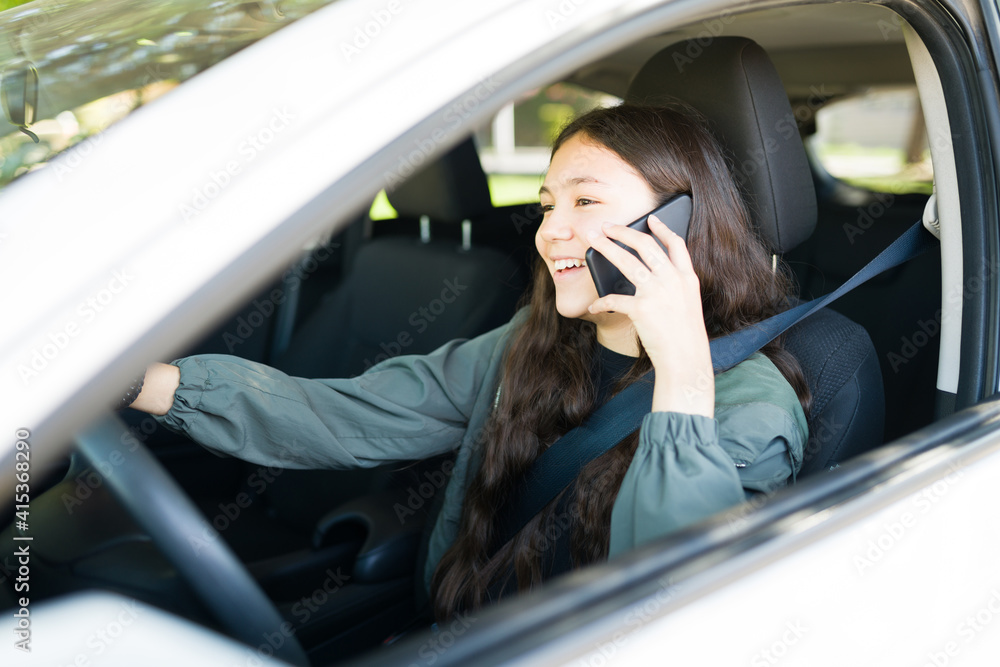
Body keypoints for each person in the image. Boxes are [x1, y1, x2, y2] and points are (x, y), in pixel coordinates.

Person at [129, 103, 809, 622]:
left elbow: (670, 607)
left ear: (680, 221)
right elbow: (346, 415)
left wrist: (683, 374)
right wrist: (144, 383)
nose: (550, 231)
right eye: (548, 205)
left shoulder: (752, 410)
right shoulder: (532, 342)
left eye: (585, 201)